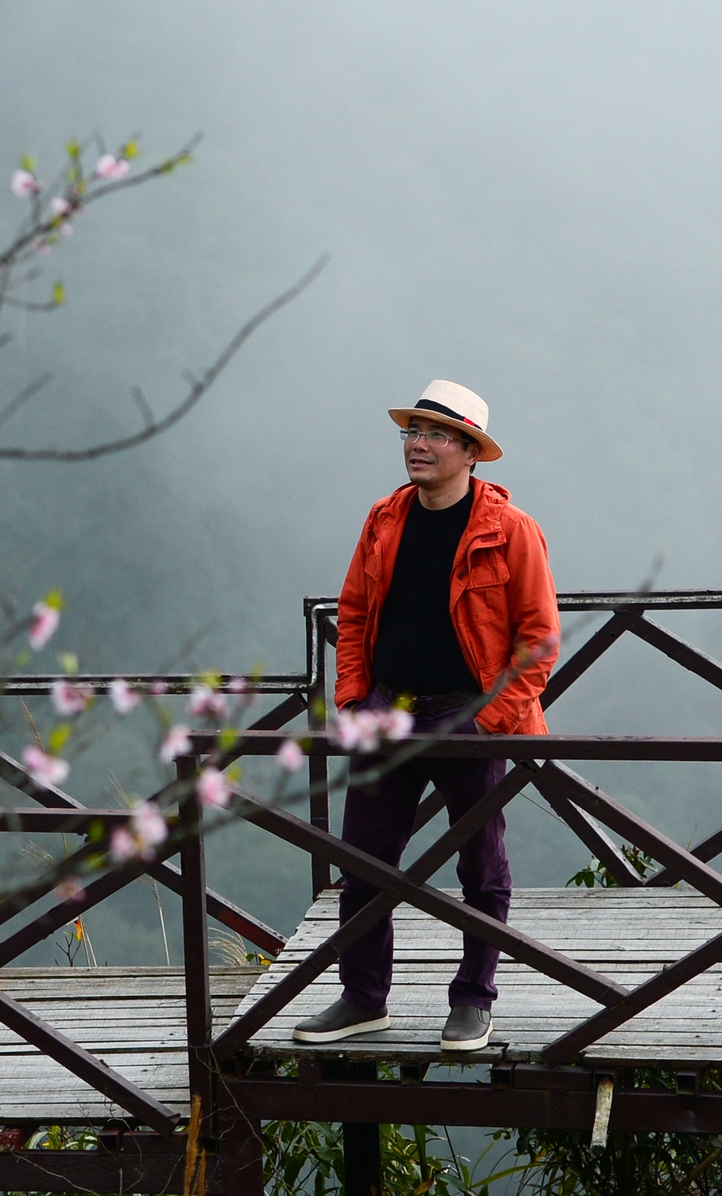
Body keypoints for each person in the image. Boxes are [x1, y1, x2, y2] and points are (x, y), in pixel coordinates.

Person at [293, 379, 560, 1054]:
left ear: (471, 452)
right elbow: (353, 614)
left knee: (481, 866)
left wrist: (491, 720)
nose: (418, 445)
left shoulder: (512, 531)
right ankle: (362, 998)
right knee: (363, 861)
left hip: (469, 719)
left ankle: (473, 1001)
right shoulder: (385, 517)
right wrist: (352, 701)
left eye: (437, 434)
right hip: (390, 710)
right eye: (412, 432)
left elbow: (540, 641)